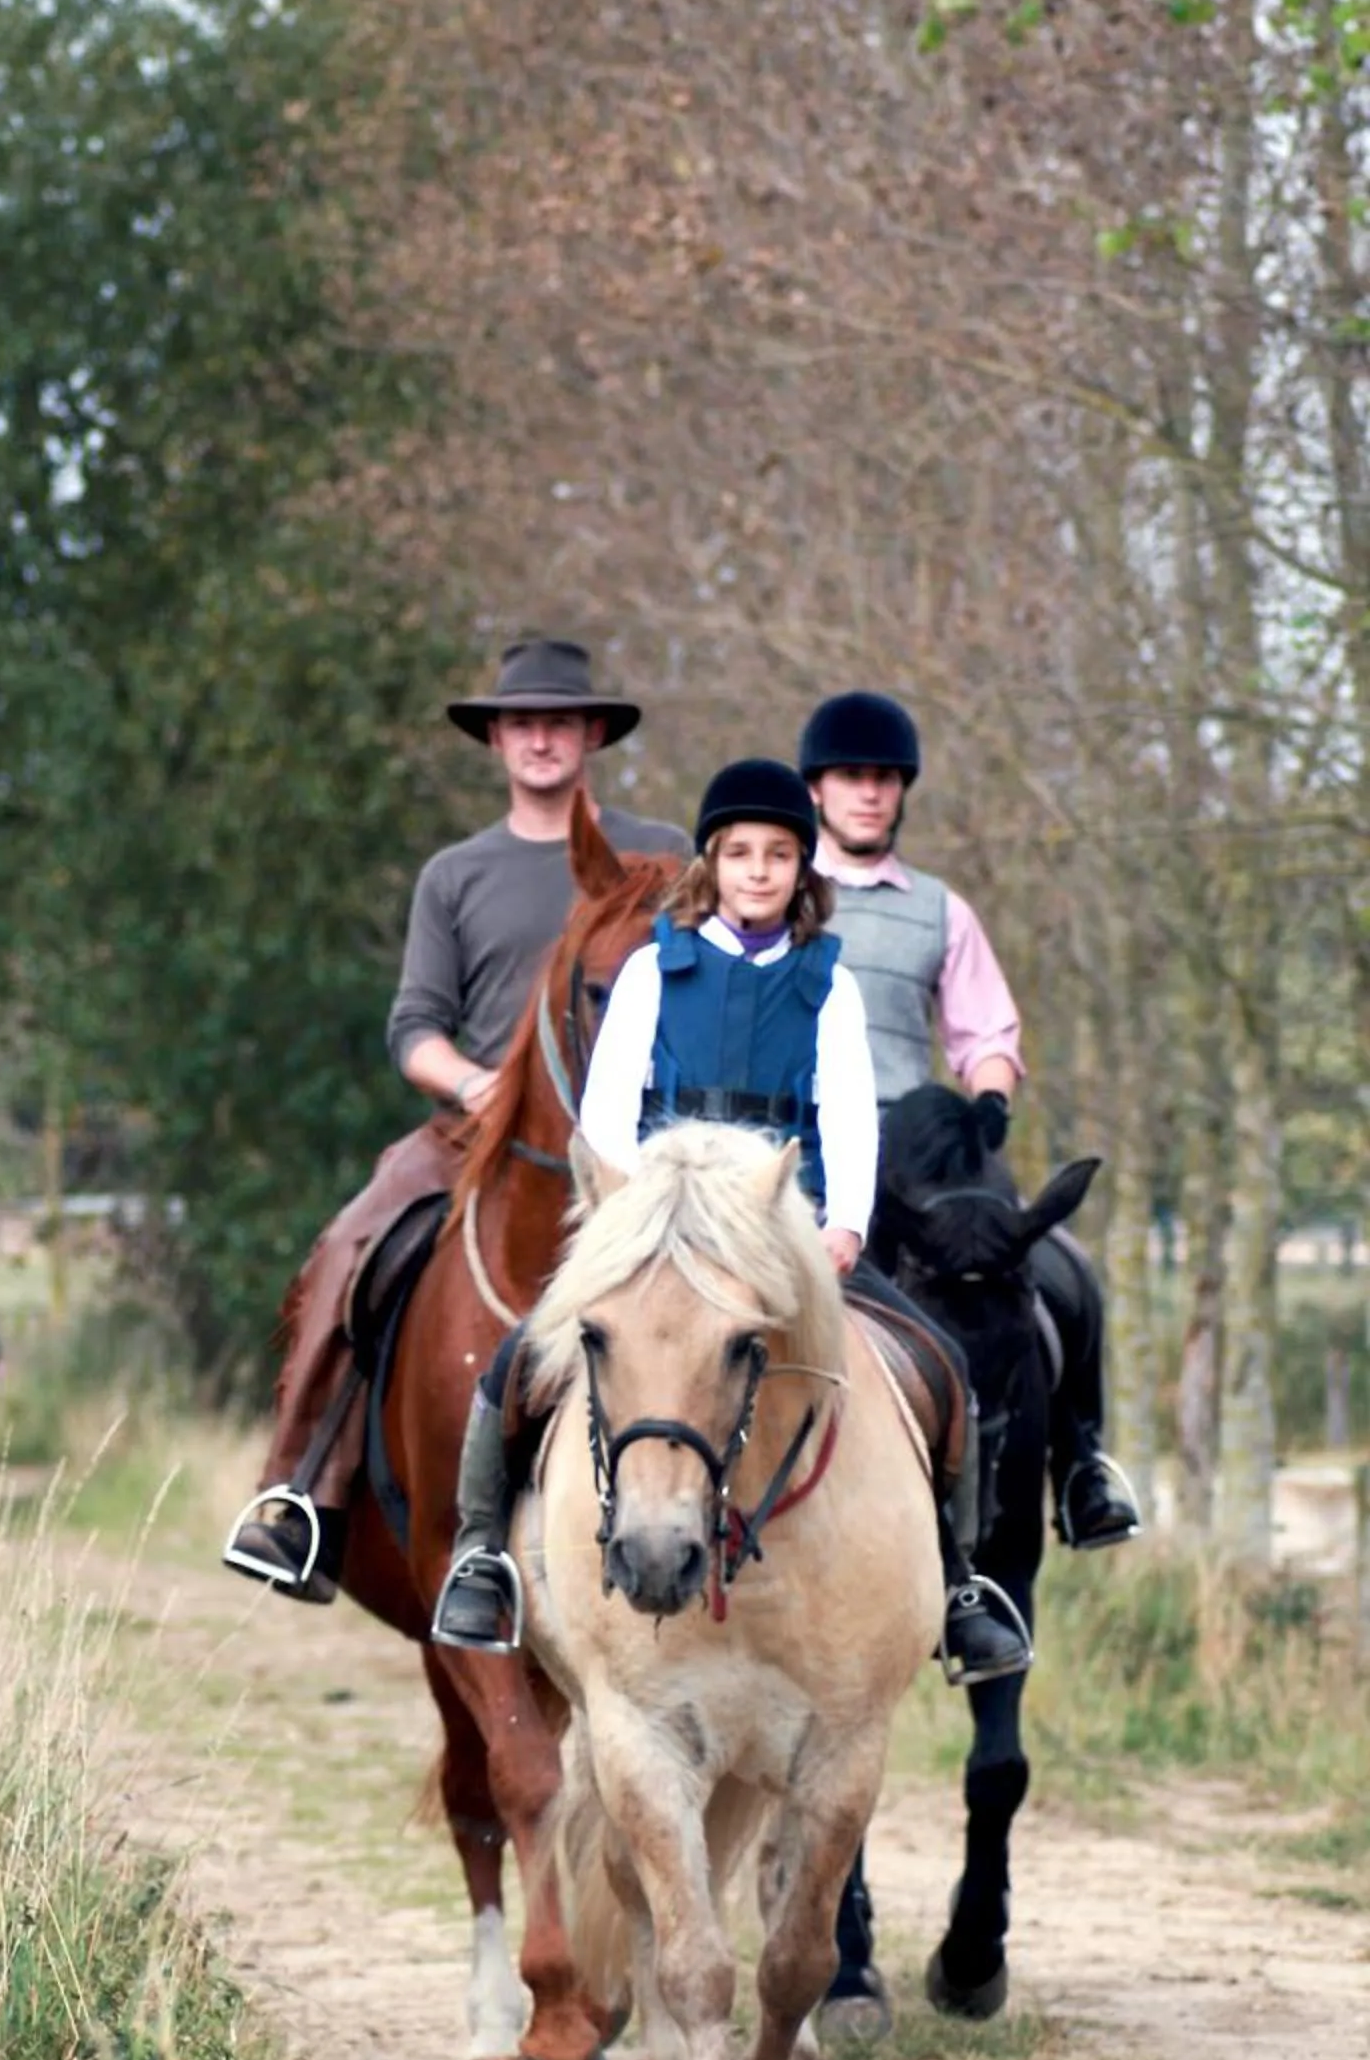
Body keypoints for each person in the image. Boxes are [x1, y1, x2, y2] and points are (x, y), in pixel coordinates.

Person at [428, 757, 1033, 1686]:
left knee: (938, 1366)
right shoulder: (649, 973)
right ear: (711, 861)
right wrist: (621, 1210)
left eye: (779, 854)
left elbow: (847, 1116)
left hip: (786, 1224)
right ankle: (482, 1557)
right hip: (662, 1218)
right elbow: (606, 1110)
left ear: (803, 870)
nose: (759, 870)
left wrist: (850, 1227)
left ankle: (958, 1588)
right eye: (741, 852)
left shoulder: (827, 986)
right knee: (522, 1360)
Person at [222, 638, 687, 1598]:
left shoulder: (662, 856)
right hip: (479, 1134)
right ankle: (299, 1493)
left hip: (640, 1145)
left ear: (592, 732)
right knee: (353, 1245)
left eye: (560, 720)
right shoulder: (456, 874)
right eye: (523, 722)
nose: (542, 738)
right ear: (496, 740)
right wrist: (478, 1084)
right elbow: (414, 1028)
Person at [799, 691, 1142, 1549]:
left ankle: (1082, 1462)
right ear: (816, 791)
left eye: (885, 779)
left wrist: (990, 1097)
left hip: (915, 1154)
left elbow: (986, 1029)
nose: (870, 793)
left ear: (903, 792)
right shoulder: (775, 888)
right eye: (851, 778)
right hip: (797, 1147)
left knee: (1060, 1264)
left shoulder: (941, 910)